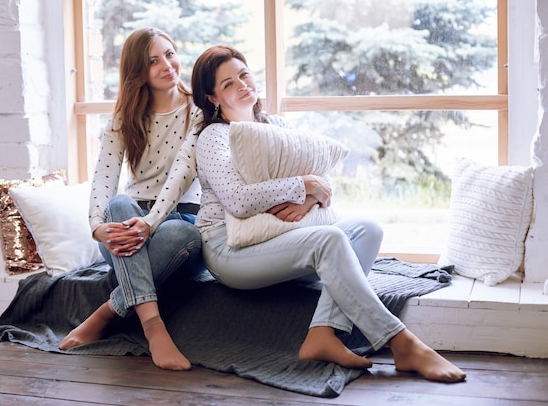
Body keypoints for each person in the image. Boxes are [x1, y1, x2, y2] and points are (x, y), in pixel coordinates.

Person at [190, 44, 466, 382]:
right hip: (229, 251)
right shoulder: (214, 137)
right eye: (228, 83)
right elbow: (237, 201)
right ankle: (402, 342)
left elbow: (321, 179)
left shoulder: (275, 125)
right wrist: (302, 184)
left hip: (281, 238)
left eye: (244, 74)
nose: (242, 84)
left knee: (367, 229)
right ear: (213, 97)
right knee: (331, 239)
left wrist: (309, 196)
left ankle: (323, 333)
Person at [59, 28, 204, 372]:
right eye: (154, 61)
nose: (167, 65)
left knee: (183, 235)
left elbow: (182, 173)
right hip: (126, 230)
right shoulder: (123, 119)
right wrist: (98, 229)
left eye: (169, 54)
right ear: (138, 71)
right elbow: (104, 180)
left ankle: (108, 311)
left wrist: (151, 221)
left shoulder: (198, 111)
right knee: (120, 204)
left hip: (178, 224)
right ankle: (156, 329)